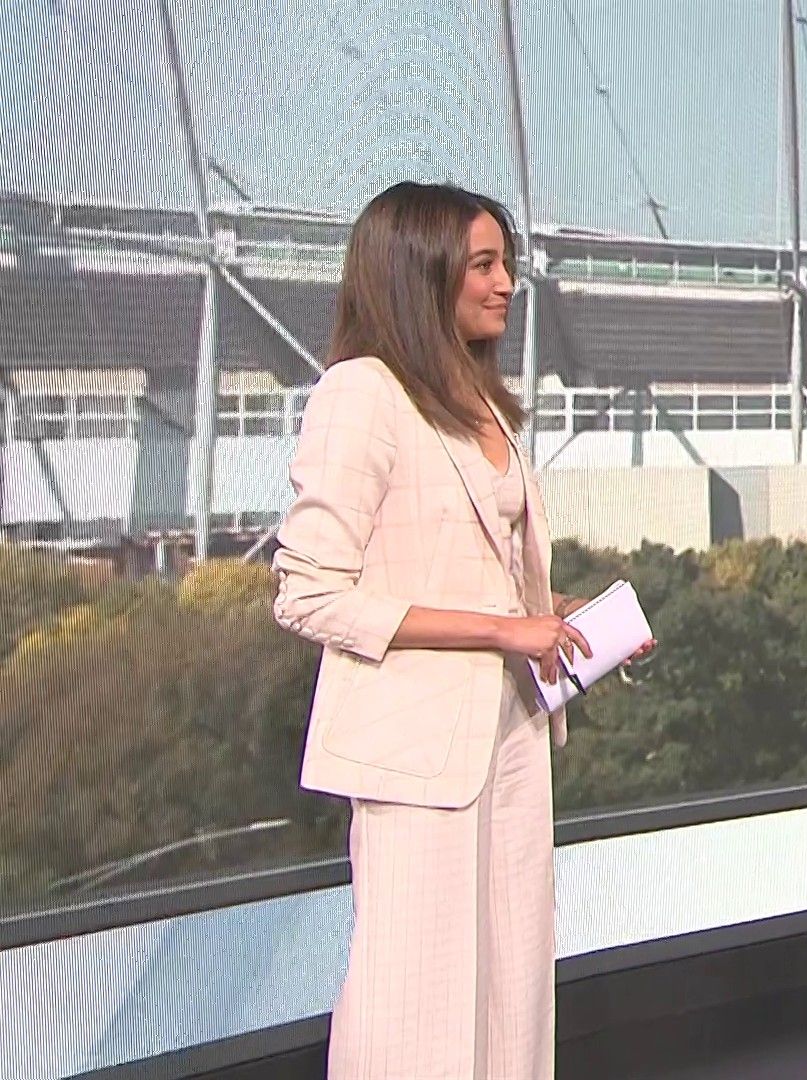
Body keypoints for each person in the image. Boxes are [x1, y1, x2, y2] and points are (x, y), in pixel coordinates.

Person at [272, 181, 649, 1079]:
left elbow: (480, 574)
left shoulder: (480, 401)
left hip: (512, 736)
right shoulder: (361, 394)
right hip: (414, 755)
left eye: (505, 263)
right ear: (420, 272)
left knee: (513, 994)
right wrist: (500, 632)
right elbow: (308, 594)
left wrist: (559, 619)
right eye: (483, 264)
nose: (506, 283)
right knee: (417, 1008)